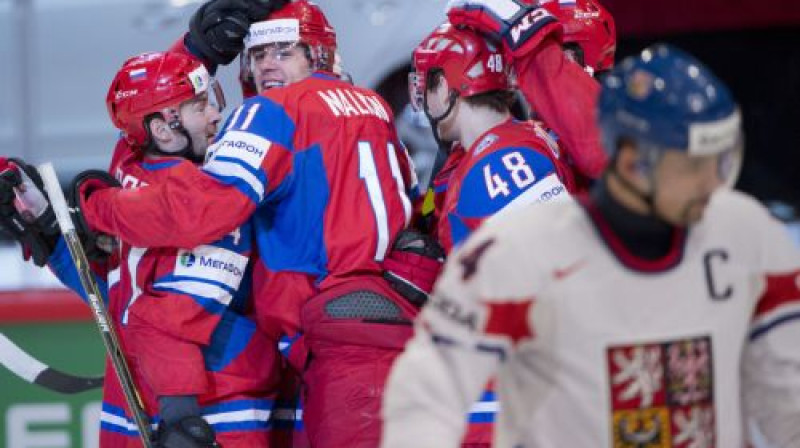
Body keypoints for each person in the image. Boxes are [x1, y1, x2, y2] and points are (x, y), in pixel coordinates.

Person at [34, 2, 419, 446]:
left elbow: (194, 207)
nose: (268, 65)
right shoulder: (372, 106)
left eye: (283, 51)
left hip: (321, 344)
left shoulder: (270, 114)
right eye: (258, 54)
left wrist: (94, 208)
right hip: (384, 334)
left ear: (318, 54)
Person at [382, 44, 800, 447]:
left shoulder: (747, 235)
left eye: (724, 162)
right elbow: (425, 399)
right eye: (694, 166)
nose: (713, 183)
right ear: (632, 159)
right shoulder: (512, 254)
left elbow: (788, 395)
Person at [408, 23, 575, 253]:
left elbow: (554, 264)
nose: (424, 101)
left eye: (426, 87)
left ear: (445, 89)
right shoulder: (488, 149)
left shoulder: (502, 164)